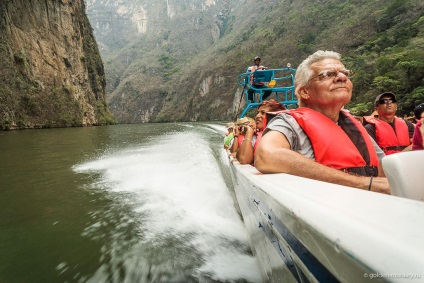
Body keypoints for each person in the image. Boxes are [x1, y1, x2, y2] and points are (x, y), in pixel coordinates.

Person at [255, 50, 390, 194]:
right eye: (327, 74)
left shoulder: (354, 127)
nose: (342, 77)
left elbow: (384, 171)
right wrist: (362, 183)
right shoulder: (289, 123)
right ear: (305, 92)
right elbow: (265, 155)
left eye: (345, 73)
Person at [236, 99, 286, 164]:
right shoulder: (255, 136)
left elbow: (244, 160)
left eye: (263, 113)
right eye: (258, 113)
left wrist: (249, 133)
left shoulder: (281, 135)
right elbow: (240, 158)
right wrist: (248, 133)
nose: (257, 116)